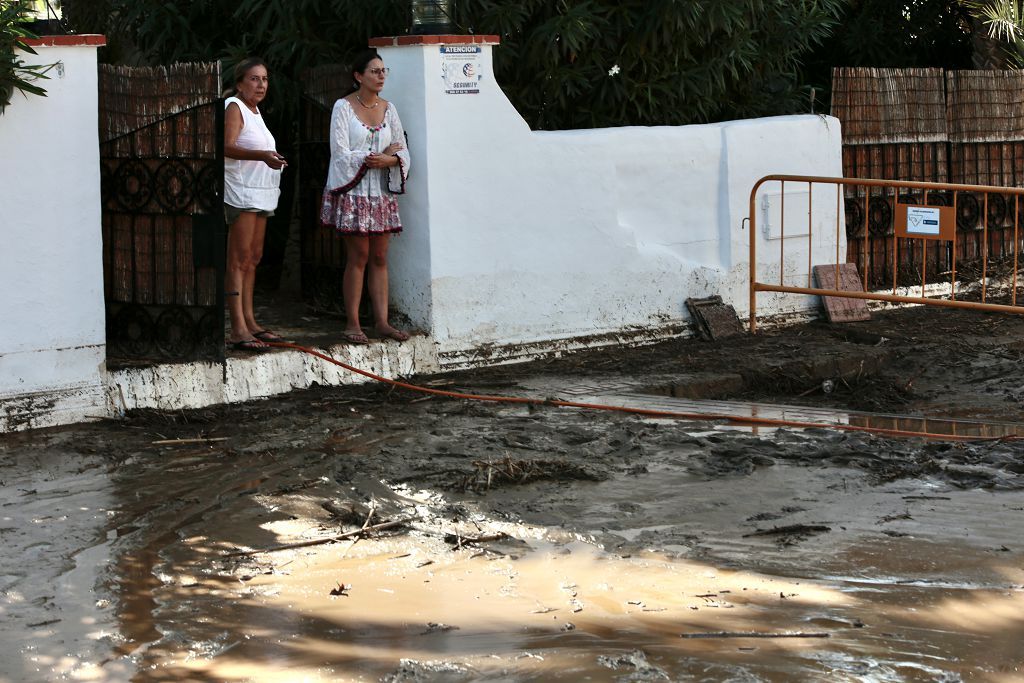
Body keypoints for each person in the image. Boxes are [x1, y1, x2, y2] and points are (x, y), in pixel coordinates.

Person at [320, 49, 411, 344]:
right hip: (355, 192)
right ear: (359, 76)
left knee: (381, 256)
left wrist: (391, 160)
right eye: (374, 71)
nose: (381, 75)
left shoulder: (389, 109)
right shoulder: (343, 107)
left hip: (381, 193)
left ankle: (382, 322)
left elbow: (401, 147)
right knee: (358, 256)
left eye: (383, 71)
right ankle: (353, 323)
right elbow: (340, 151)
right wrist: (376, 156)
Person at [223, 57, 287, 352]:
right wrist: (262, 156)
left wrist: (270, 158)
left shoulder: (255, 111)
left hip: (262, 192)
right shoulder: (234, 107)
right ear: (239, 83)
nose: (261, 84)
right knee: (238, 259)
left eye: (264, 79)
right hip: (242, 193)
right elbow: (227, 146)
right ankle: (237, 328)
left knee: (253, 257)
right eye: (254, 79)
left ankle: (250, 321)